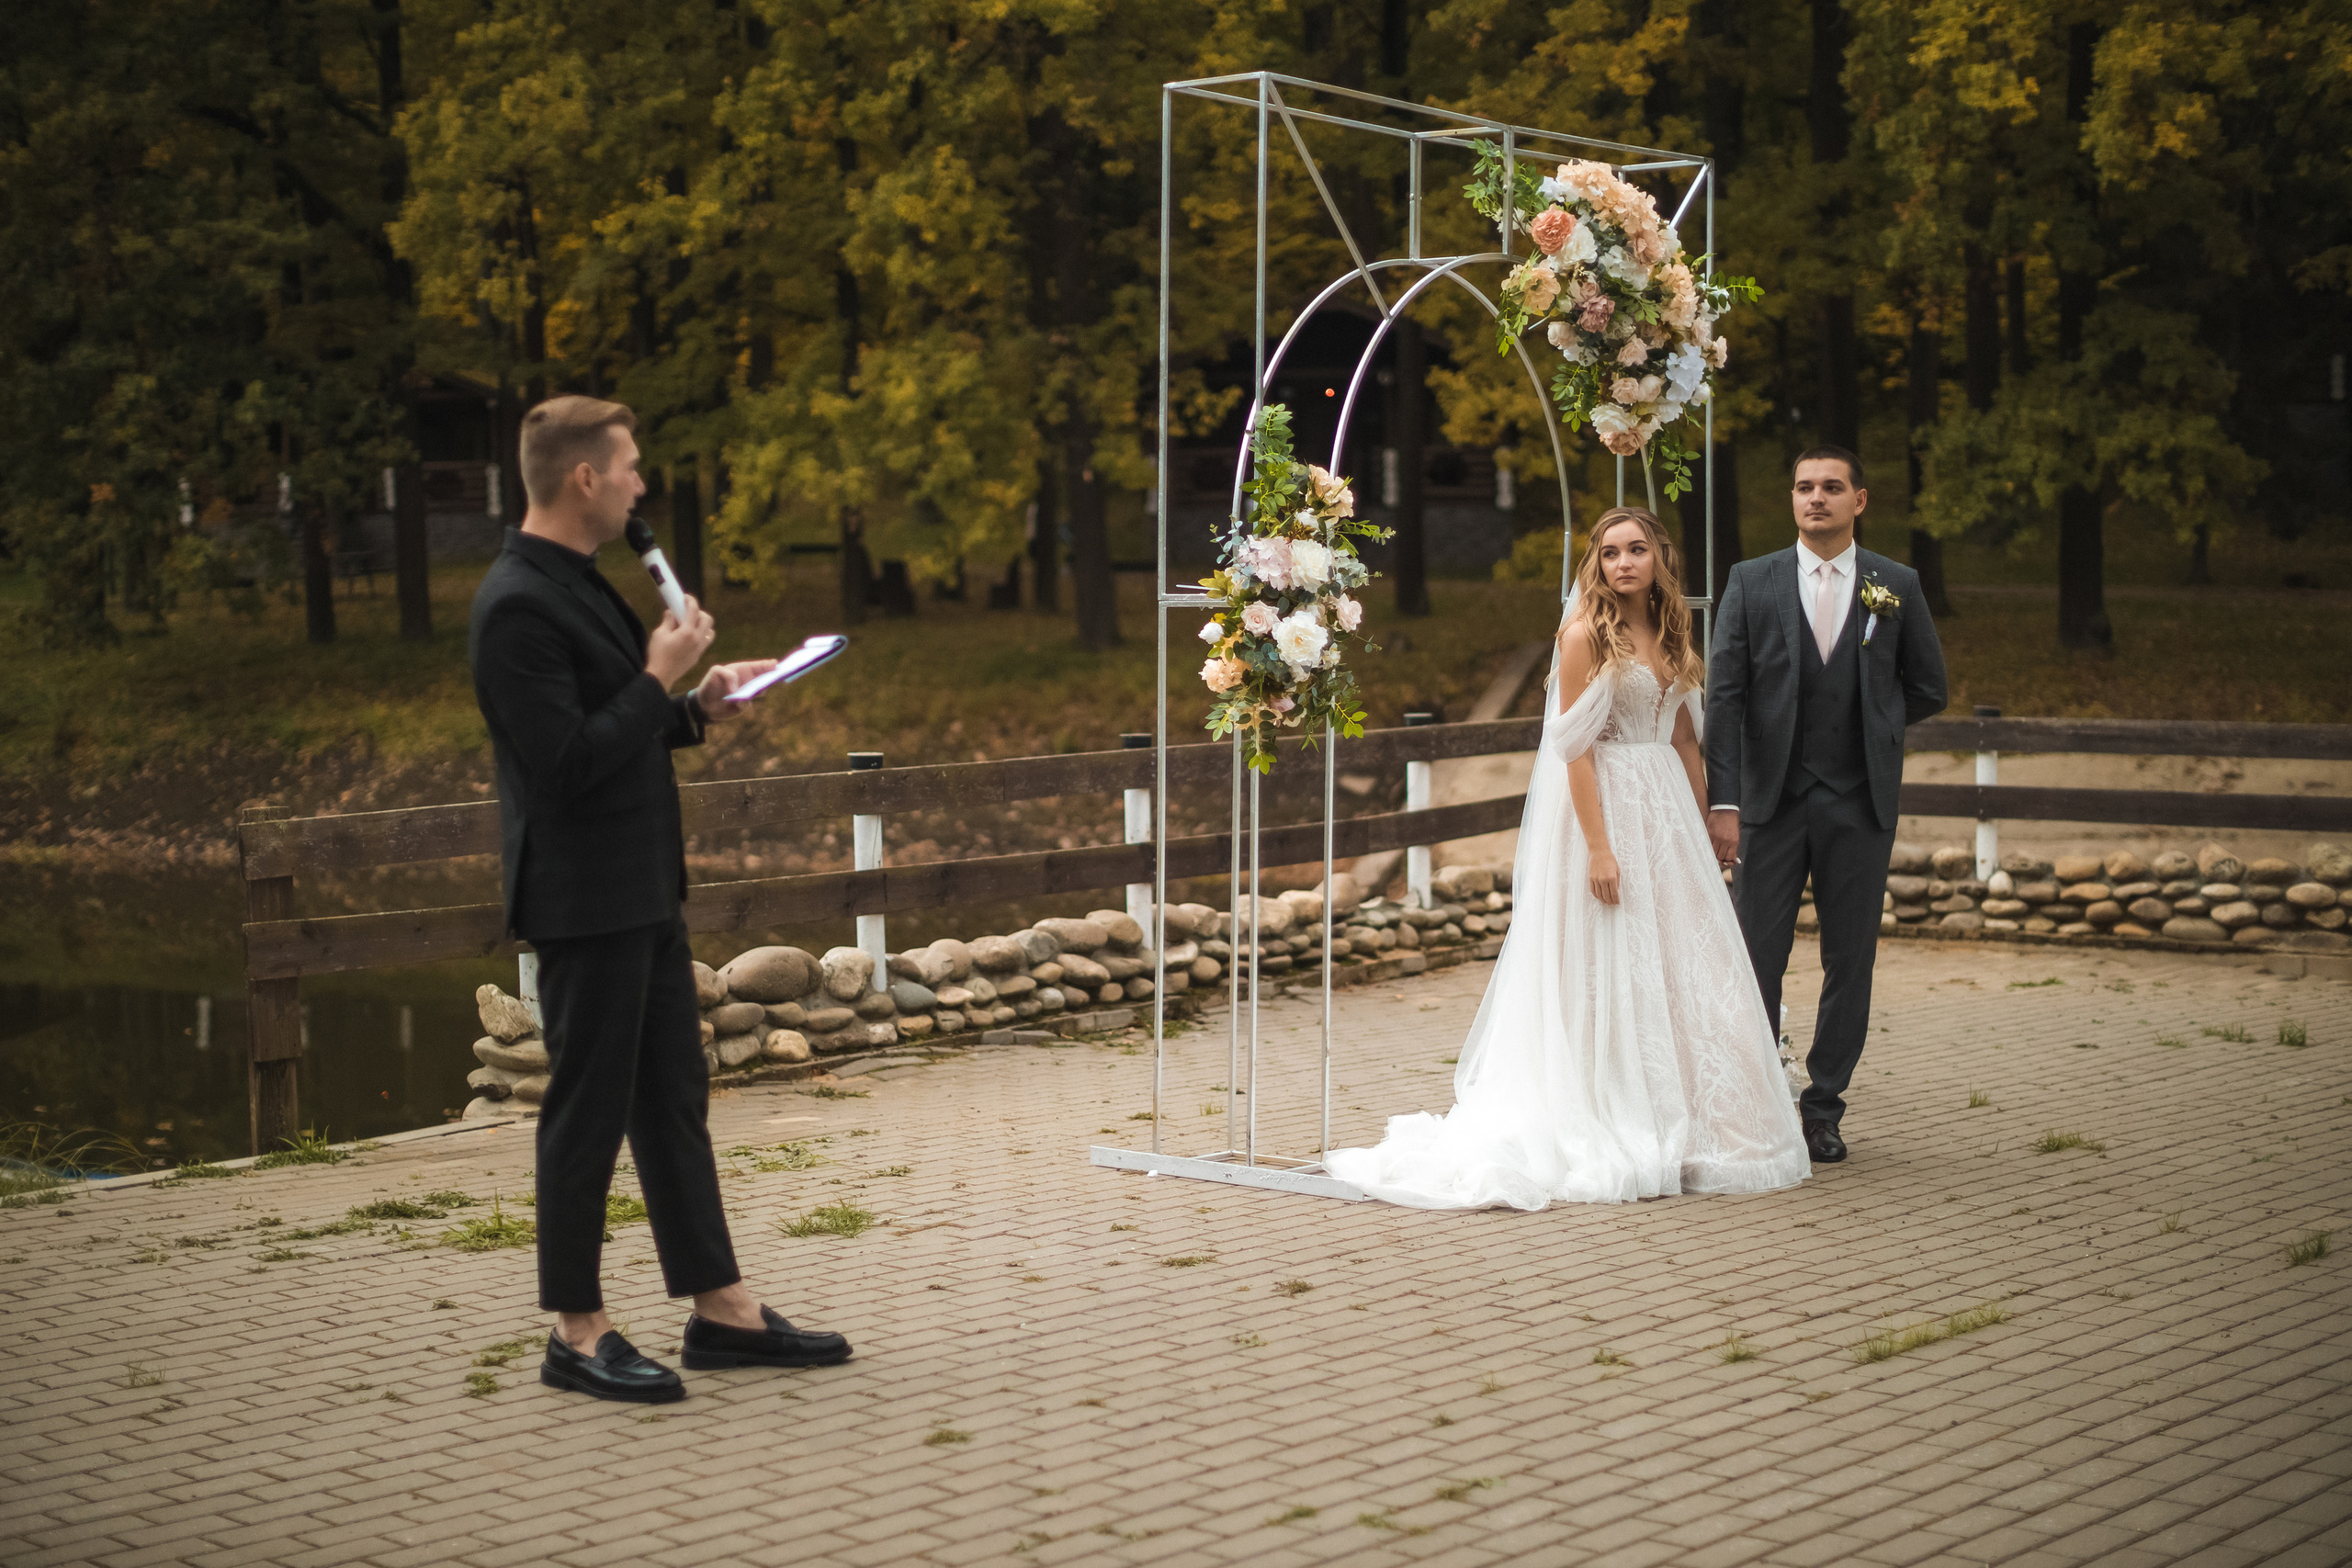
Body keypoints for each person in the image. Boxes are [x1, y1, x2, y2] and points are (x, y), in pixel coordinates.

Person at [469, 394, 851, 1404]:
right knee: (585, 1115)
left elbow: (619, 724)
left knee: (672, 1101)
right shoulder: (514, 603)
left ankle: (720, 1309)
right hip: (580, 897)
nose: (643, 483)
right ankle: (576, 1331)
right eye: (630, 466)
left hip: (640, 887)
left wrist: (698, 701)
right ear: (585, 477)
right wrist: (658, 672)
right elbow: (559, 768)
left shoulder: (580, 583)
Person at [1326, 507, 1810, 1210]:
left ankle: (1699, 1120)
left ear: (1658, 559)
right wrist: (1600, 847)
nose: (1623, 563)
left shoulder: (1671, 631)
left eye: (1636, 549)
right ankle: (1610, 1104)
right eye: (1610, 552)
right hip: (1609, 800)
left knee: (1683, 959)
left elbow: (1681, 736)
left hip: (1668, 809)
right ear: (1597, 562)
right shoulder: (1585, 635)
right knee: (1612, 956)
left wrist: (1708, 815)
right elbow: (1575, 748)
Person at [1704, 446, 1948, 1165]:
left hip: (1858, 802)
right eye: (1805, 487)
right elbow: (1725, 697)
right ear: (1792, 500)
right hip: (1770, 804)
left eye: (1832, 487)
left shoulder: (1895, 585)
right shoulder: (1752, 581)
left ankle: (1823, 1108)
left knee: (1852, 959)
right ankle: (1751, 1100)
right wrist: (1726, 800)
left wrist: (1877, 722)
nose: (1817, 498)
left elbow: (1929, 685)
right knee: (1755, 956)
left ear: (1859, 501)